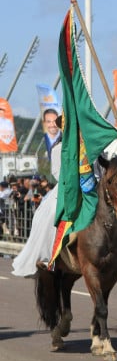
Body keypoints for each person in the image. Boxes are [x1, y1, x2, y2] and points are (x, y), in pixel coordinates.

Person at [12, 118, 62, 277]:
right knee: (53, 213)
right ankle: (48, 256)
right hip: (68, 187)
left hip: (91, 187)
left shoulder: (90, 146)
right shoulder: (58, 149)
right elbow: (58, 173)